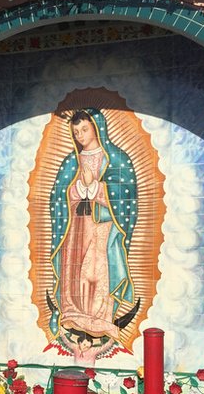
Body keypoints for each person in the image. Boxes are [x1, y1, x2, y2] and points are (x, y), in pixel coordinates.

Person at [47, 108, 138, 358]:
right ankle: (73, 312)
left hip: (102, 226)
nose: (80, 136)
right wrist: (78, 187)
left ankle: (99, 317)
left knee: (96, 271)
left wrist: (96, 188)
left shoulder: (117, 160)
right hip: (75, 225)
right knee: (74, 271)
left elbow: (126, 195)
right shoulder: (70, 162)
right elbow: (57, 195)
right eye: (75, 132)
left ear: (97, 128)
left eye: (84, 129)